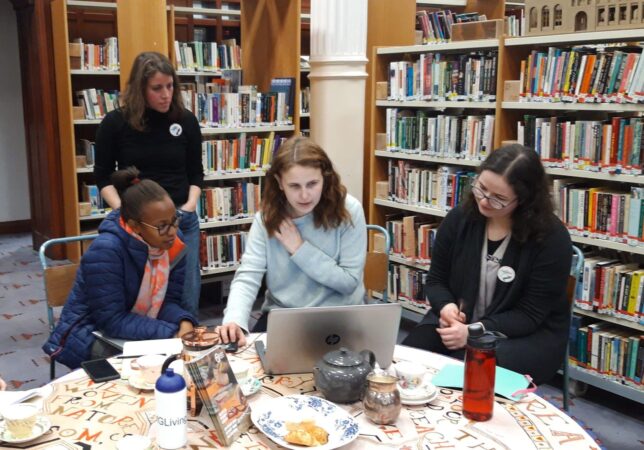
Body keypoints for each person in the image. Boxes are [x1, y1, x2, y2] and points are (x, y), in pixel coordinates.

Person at [402, 144, 572, 384]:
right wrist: (446, 307)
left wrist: (474, 331)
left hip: (523, 338)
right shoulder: (460, 218)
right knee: (407, 362)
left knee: (466, 377)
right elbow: (437, 280)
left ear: (524, 200)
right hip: (459, 323)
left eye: (499, 198)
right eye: (481, 188)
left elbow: (529, 315)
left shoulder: (551, 238)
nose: (484, 201)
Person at [217, 136, 367, 347]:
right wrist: (234, 319)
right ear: (279, 182)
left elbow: (349, 283)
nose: (305, 195)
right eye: (294, 186)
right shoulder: (267, 219)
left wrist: (299, 248)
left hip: (340, 316)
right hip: (284, 316)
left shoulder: (349, 210)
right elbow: (249, 275)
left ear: (325, 178)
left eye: (313, 184)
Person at [43, 167, 198, 369]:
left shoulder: (174, 244)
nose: (172, 232)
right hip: (89, 332)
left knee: (186, 356)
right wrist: (170, 333)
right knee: (151, 367)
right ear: (134, 226)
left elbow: (168, 302)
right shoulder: (106, 251)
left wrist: (182, 321)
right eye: (162, 226)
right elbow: (111, 320)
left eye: (174, 221)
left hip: (133, 326)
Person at [94, 51, 204, 317]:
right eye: (157, 88)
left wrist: (189, 206)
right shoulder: (115, 123)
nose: (166, 94)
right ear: (140, 90)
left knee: (185, 298)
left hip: (180, 217)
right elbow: (102, 176)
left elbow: (196, 173)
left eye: (170, 86)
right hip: (137, 223)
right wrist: (125, 210)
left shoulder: (185, 120)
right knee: (141, 299)